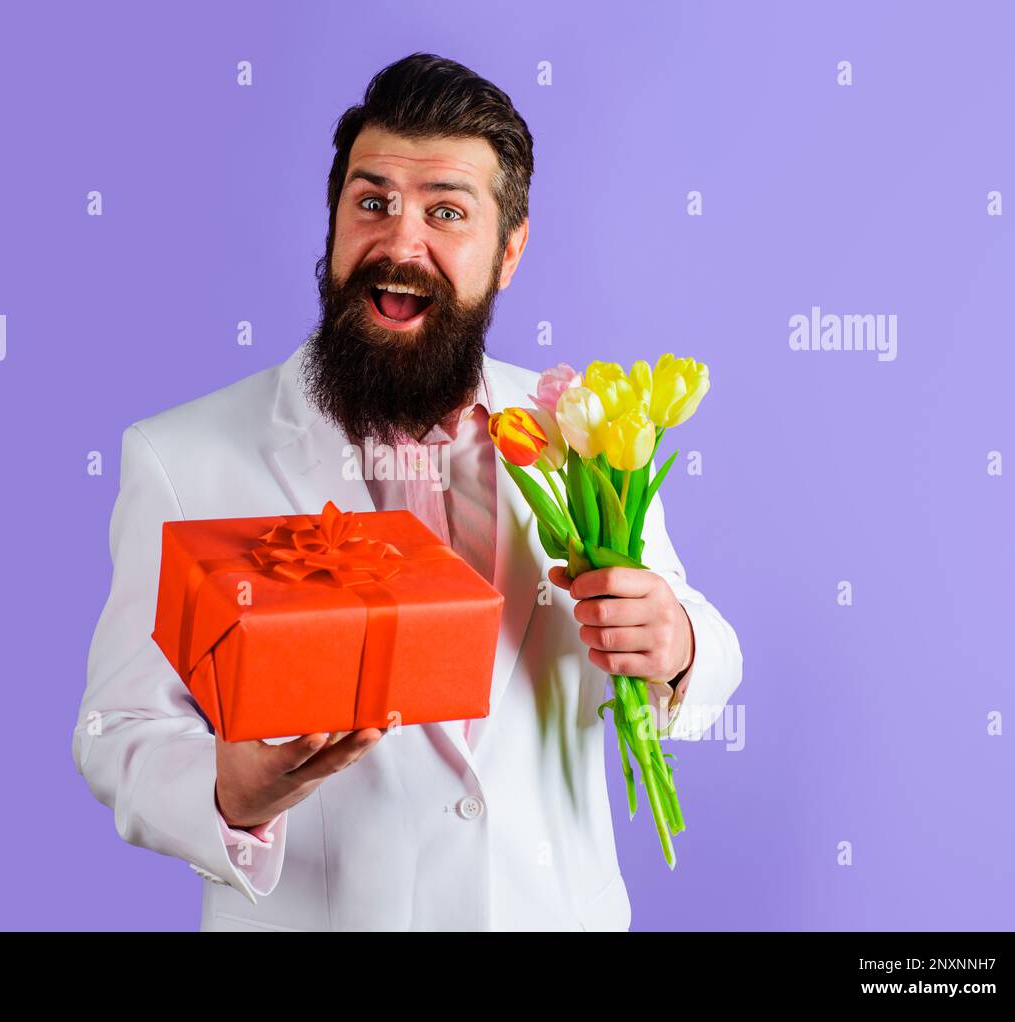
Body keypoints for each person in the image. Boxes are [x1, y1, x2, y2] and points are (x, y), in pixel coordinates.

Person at [71, 52, 742, 931]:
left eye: (447, 213)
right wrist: (227, 794)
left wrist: (681, 642)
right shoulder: (181, 457)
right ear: (334, 219)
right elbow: (113, 729)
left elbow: (691, 632)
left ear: (510, 251)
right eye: (372, 201)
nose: (400, 243)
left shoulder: (580, 427)